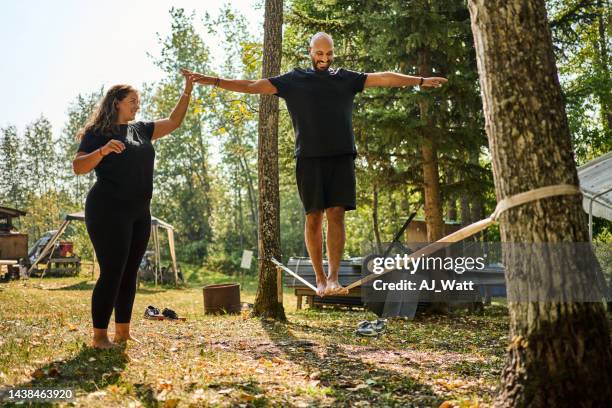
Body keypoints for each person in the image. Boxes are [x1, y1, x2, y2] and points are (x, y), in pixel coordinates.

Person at [186, 32, 447, 297]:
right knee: (313, 217)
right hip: (309, 159)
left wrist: (421, 80)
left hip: (341, 156)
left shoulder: (345, 79)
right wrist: (215, 81)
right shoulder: (293, 81)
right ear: (310, 51)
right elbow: (253, 85)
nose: (324, 59)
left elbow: (384, 78)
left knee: (336, 214)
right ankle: (320, 280)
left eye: (329, 54)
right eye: (320, 53)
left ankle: (333, 279)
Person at [72, 71, 198, 349]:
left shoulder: (141, 129)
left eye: (138, 101)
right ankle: (98, 337)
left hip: (140, 212)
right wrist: (103, 151)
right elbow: (79, 166)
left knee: (130, 273)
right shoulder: (98, 134)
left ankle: (123, 332)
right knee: (112, 271)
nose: (137, 105)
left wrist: (187, 89)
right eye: (132, 100)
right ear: (116, 102)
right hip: (107, 210)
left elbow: (175, 121)